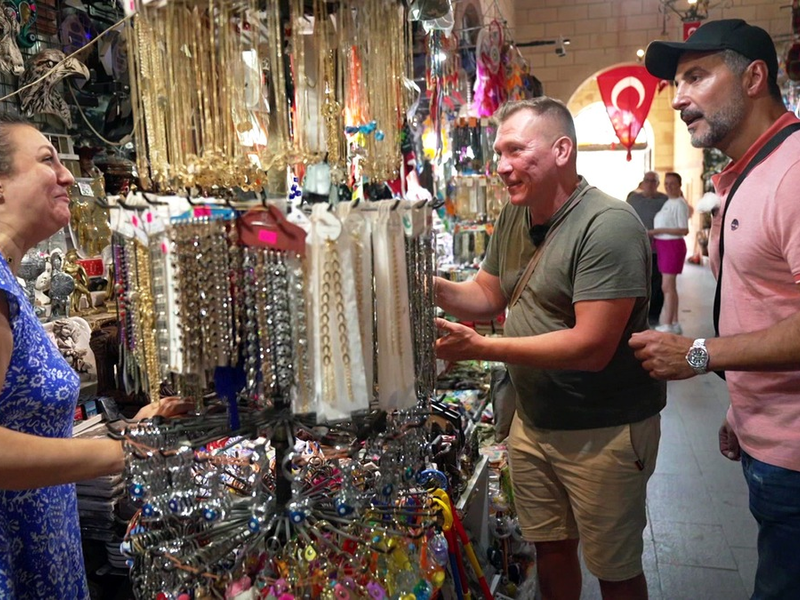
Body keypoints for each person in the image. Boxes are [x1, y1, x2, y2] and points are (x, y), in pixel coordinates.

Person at [434, 97, 665, 600]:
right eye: (499, 153)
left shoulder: (609, 225)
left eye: (516, 150)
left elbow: (592, 347)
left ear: (562, 150)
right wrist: (424, 285)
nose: (501, 166)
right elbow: (489, 294)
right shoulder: (515, 216)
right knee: (551, 550)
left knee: (614, 566)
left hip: (603, 431)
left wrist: (484, 349)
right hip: (534, 423)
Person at [630, 19, 800, 599]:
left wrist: (700, 353)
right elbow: (767, 304)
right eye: (678, 83)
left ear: (754, 77)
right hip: (769, 438)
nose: (678, 98)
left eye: (696, 77)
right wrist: (744, 407)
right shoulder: (747, 173)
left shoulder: (794, 172)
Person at [0, 114, 190, 598]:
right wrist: (122, 454)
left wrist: (136, 427)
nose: (67, 176)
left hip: (44, 545)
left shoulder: (11, 285)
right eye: (47, 161)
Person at [650, 172, 690, 334]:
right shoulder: (669, 202)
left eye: (672, 183)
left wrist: (657, 231)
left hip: (672, 245)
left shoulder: (680, 204)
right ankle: (674, 322)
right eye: (666, 183)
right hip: (663, 245)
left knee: (667, 286)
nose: (668, 186)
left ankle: (667, 323)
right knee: (669, 286)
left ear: (679, 185)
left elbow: (684, 229)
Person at [627, 171, 668, 326]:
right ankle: (636, 316)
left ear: (657, 184)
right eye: (647, 180)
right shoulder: (633, 199)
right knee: (637, 282)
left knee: (658, 284)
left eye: (653, 181)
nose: (650, 183)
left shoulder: (665, 200)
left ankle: (654, 316)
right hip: (637, 248)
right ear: (642, 182)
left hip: (660, 248)